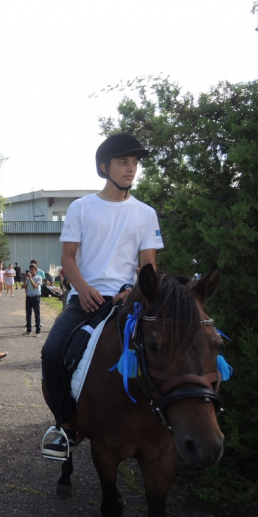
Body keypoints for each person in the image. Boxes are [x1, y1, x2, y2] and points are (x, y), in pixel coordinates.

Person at [40, 133, 164, 459]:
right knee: (51, 354)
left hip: (128, 299)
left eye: (135, 163)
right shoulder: (82, 208)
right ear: (104, 167)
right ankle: (65, 424)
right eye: (124, 162)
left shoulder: (145, 213)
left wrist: (133, 292)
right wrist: (82, 288)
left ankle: (166, 424)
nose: (131, 169)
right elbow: (68, 257)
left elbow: (148, 268)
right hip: (85, 298)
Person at [23, 264, 42, 337]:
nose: (31, 271)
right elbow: (24, 286)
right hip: (29, 297)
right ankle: (28, 330)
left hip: (35, 297)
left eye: (32, 269)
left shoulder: (38, 278)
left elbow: (35, 286)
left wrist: (30, 278)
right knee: (28, 314)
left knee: (37, 314)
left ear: (36, 270)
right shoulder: (27, 279)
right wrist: (25, 278)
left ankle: (38, 331)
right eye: (30, 270)